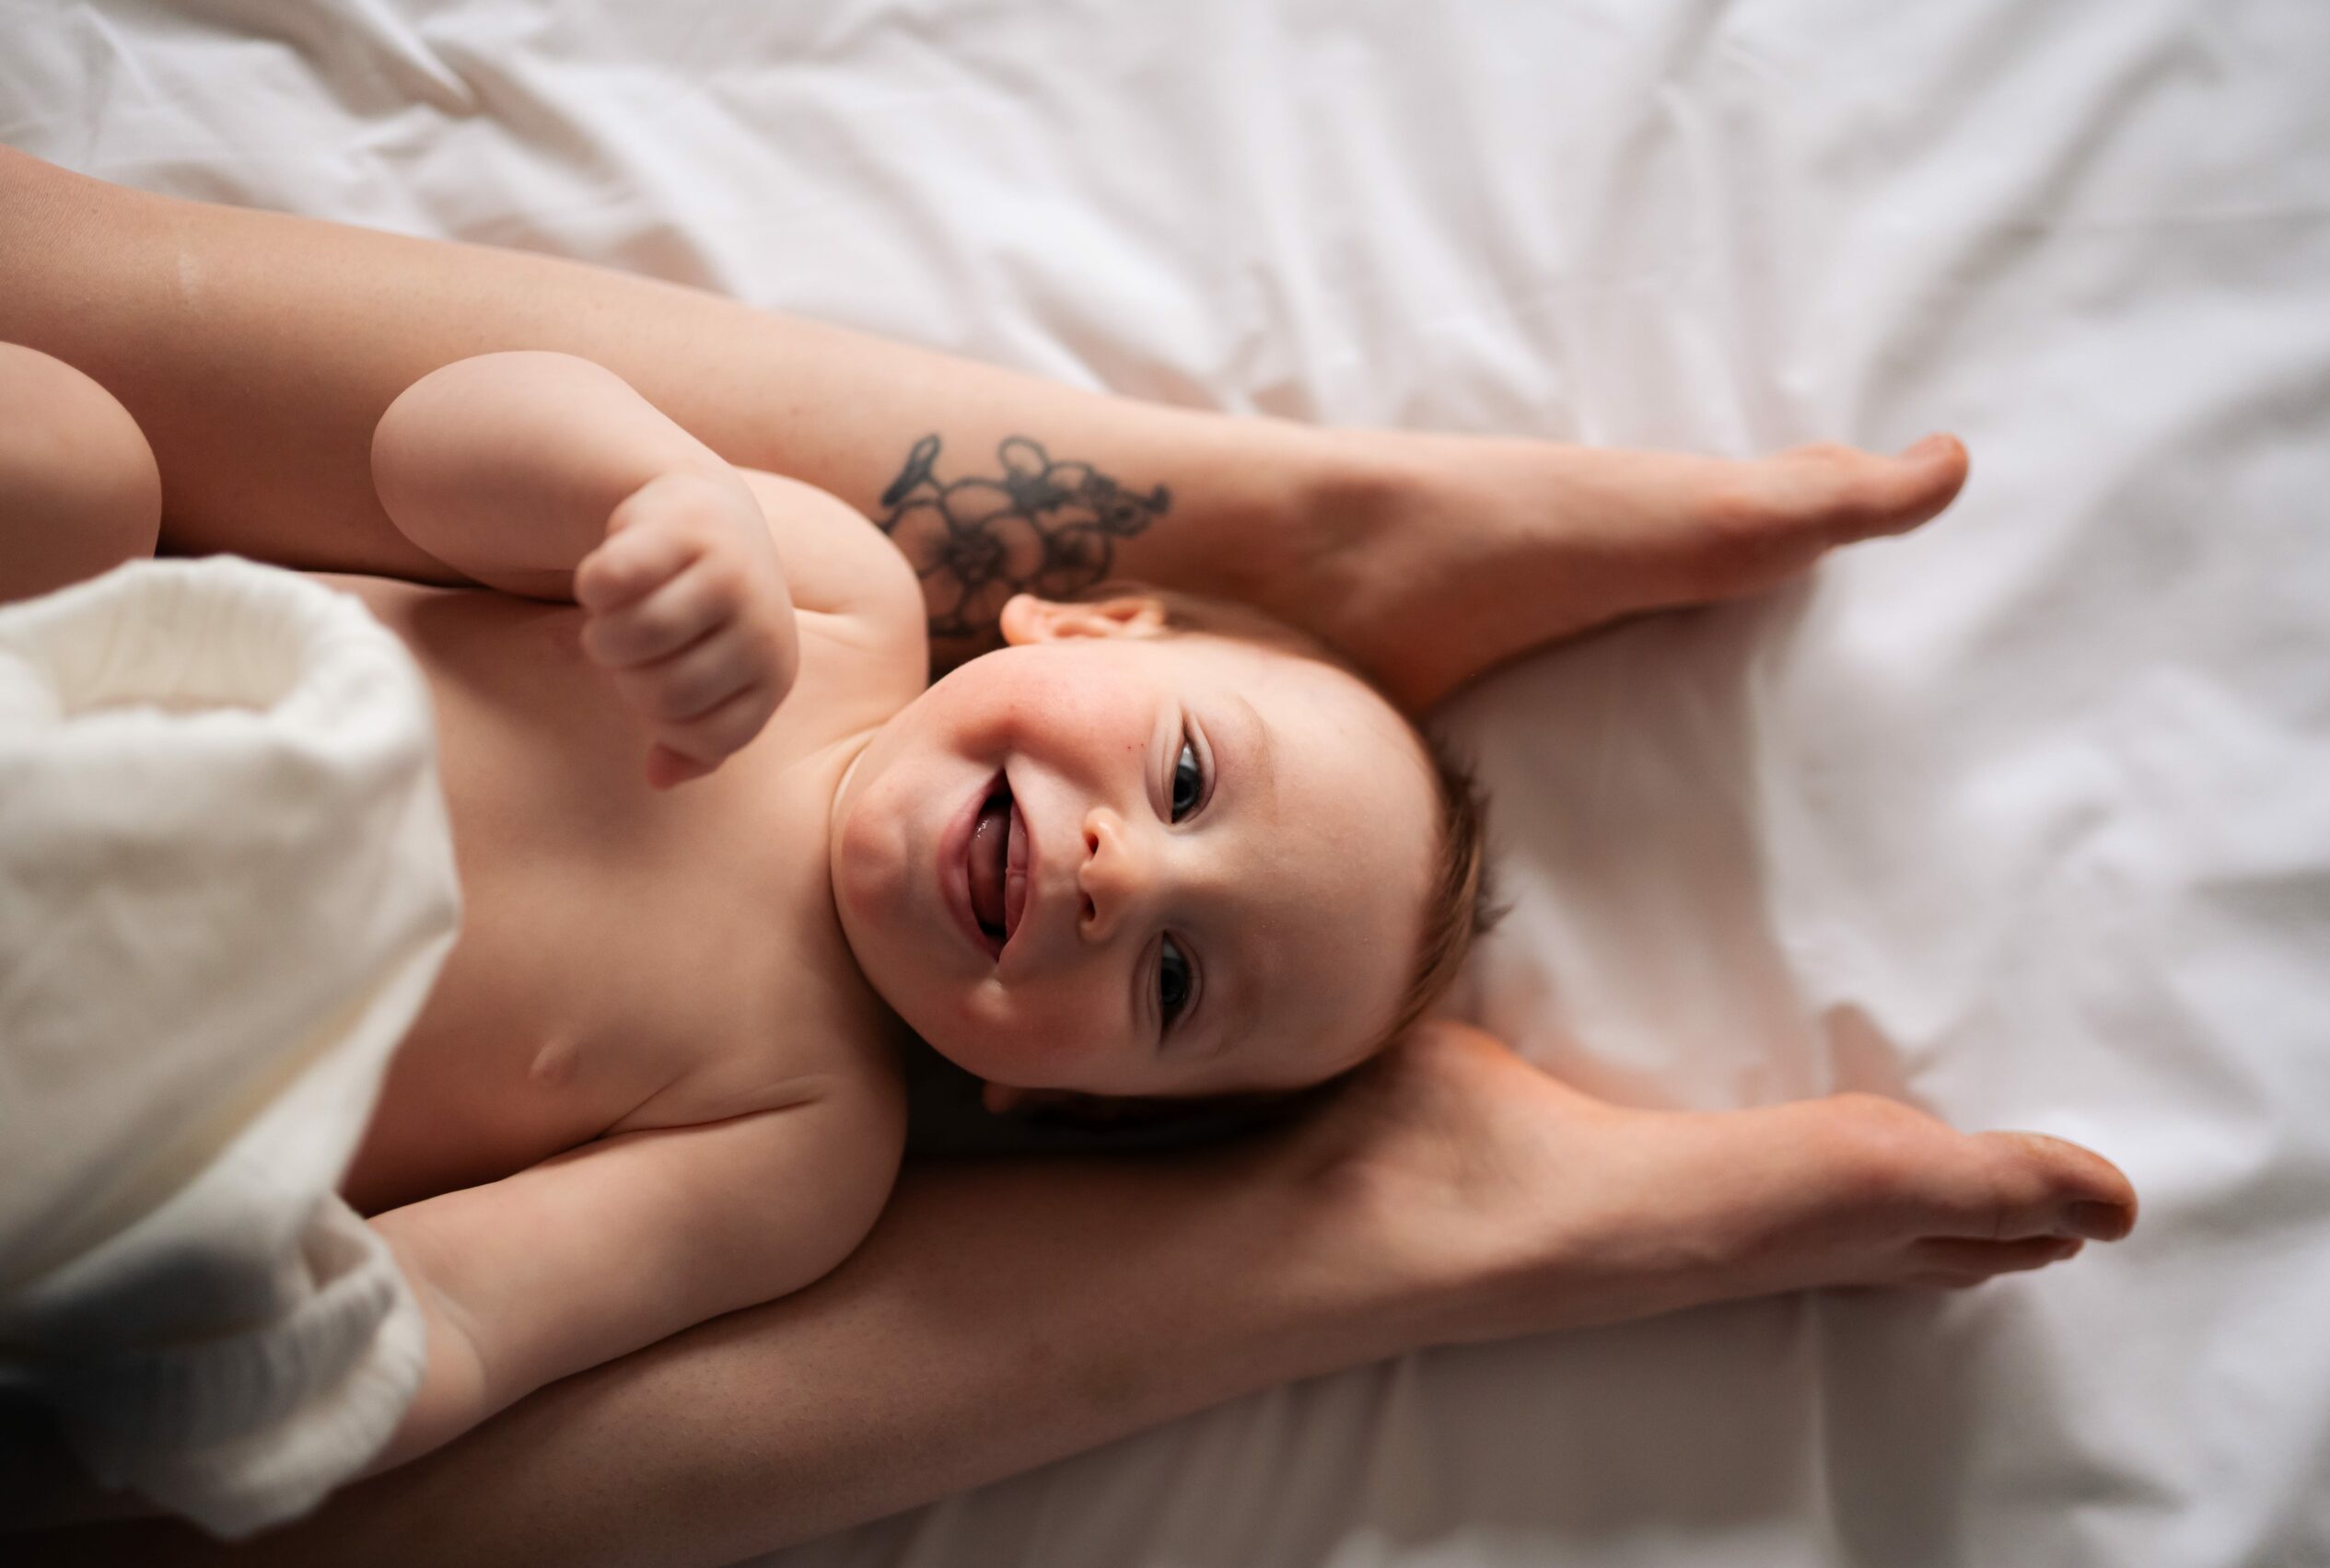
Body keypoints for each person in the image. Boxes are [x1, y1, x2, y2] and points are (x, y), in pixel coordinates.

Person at [0, 148, 2136, 1563]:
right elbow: (420, 448)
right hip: (70, 721)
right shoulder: (823, 593)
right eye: (1187, 778)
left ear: (1039, 1096)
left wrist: (310, 1369)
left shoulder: (800, 1148)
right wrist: (645, 507)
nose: (1133, 883)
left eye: (1178, 994)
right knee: (82, 466)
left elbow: (486, 1324)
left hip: (88, 1070)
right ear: (1078, 616)